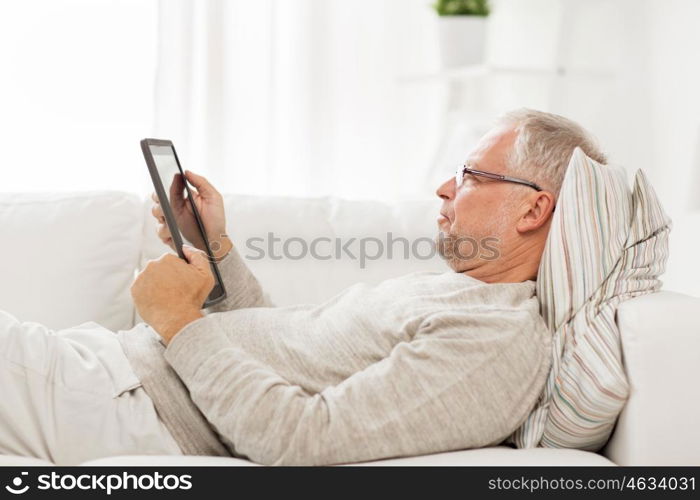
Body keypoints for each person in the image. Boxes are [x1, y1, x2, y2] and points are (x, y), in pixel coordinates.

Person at [0, 108, 607, 465]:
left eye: (469, 175)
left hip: (124, 404)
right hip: (104, 375)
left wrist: (180, 324)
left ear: (533, 211)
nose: (444, 190)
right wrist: (216, 249)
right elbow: (281, 348)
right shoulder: (462, 296)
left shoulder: (496, 342)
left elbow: (299, 437)